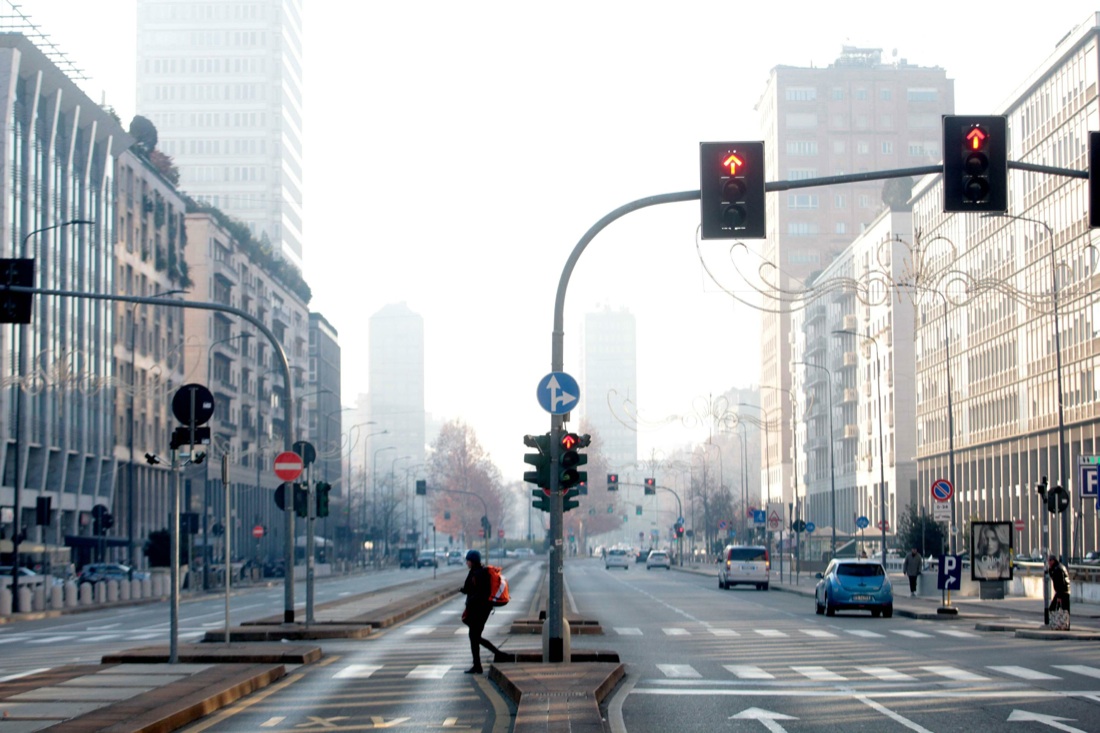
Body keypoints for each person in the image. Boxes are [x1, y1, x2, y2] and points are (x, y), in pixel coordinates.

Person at [459, 549, 500, 674]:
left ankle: (495, 655)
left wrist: (471, 598)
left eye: (468, 561)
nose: (467, 563)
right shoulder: (475, 572)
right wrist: (464, 591)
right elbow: (468, 588)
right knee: (474, 637)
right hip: (477, 609)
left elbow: (481, 592)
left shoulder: (479, 574)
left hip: (480, 610)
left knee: (474, 637)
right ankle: (478, 664)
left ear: (473, 561)